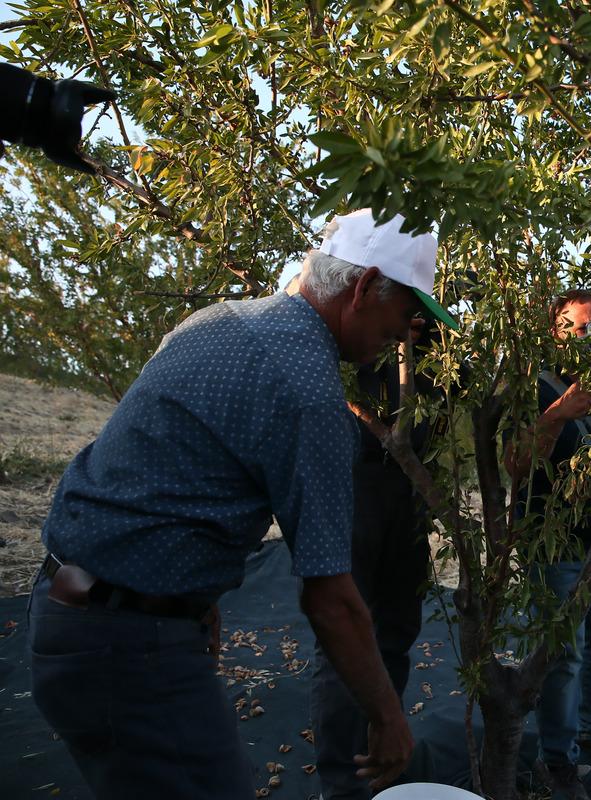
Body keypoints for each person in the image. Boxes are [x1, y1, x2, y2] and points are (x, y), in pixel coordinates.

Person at [28, 207, 455, 799]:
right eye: (406, 311)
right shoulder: (312, 396)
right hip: (128, 647)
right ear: (362, 288)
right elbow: (331, 600)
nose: (406, 329)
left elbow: (156, 457)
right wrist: (388, 718)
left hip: (64, 613)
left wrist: (193, 592)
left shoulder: (217, 319)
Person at [309, 314, 447, 800]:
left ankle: (383, 757)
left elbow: (463, 392)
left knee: (397, 629)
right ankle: (343, 781)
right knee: (349, 634)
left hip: (409, 488)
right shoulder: (356, 323)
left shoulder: (440, 335)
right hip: (357, 481)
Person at [503, 290, 591, 800]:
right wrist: (557, 413)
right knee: (561, 655)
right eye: (571, 327)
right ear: (552, 333)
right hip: (552, 547)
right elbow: (515, 464)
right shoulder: (534, 387)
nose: (583, 336)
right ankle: (556, 758)